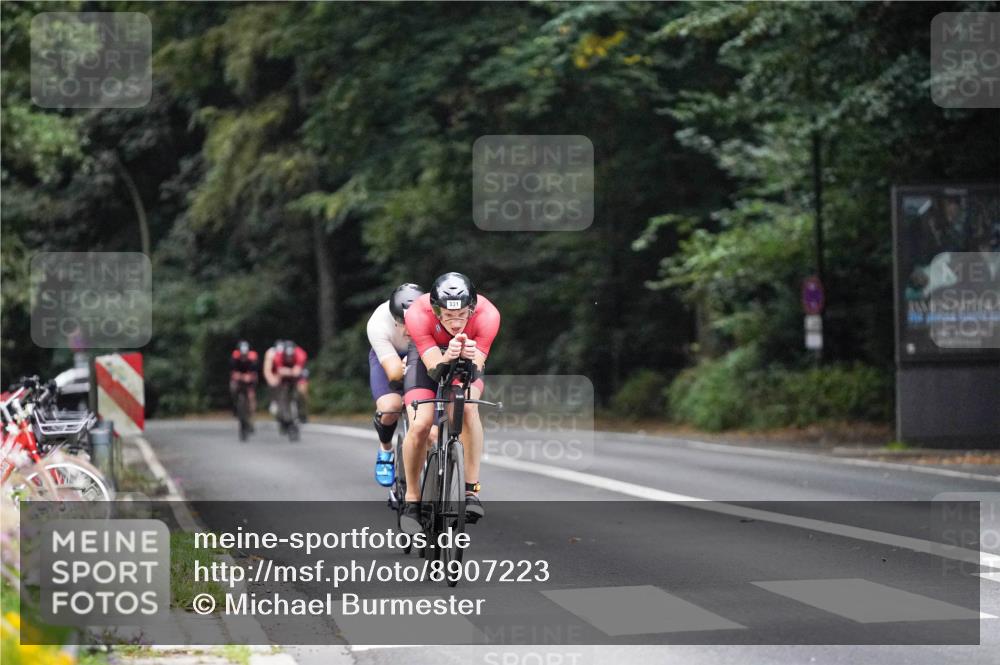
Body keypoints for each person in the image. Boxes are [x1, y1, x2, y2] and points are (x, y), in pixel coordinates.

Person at [399, 272, 500, 533]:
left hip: (466, 357)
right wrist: (447, 358)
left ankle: (470, 490)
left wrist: (467, 358)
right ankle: (412, 498)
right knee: (421, 424)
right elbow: (434, 369)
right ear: (435, 311)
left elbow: (474, 370)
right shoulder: (417, 314)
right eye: (448, 315)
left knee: (467, 407)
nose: (456, 323)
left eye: (462, 315)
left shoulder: (488, 316)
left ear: (472, 309)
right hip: (426, 360)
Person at [367, 283, 424, 487]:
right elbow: (394, 373)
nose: (408, 330)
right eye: (401, 322)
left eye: (413, 322)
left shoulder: (434, 313)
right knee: (390, 408)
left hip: (423, 353)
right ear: (393, 318)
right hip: (389, 356)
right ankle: (386, 450)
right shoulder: (378, 323)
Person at [263, 340, 307, 428]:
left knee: (302, 391)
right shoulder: (275, 355)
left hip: (297, 374)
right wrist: (272, 380)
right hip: (281, 376)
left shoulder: (300, 354)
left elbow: (297, 371)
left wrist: (290, 371)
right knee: (281, 393)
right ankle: (279, 408)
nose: (289, 358)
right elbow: (271, 371)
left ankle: (302, 412)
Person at [229, 340, 259, 426]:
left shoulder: (253, 358)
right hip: (239, 378)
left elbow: (255, 373)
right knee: (233, 388)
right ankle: (235, 406)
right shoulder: (234, 358)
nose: (243, 357)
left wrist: (249, 377)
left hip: (250, 378)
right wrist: (241, 377)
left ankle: (252, 416)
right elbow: (233, 373)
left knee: (251, 396)